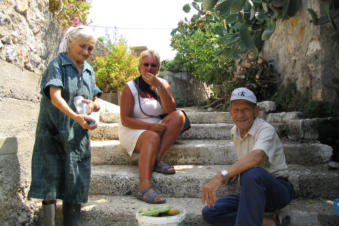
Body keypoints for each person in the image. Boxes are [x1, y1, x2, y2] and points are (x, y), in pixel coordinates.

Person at [28, 26, 102, 226]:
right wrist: (75, 116)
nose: (86, 52)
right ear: (70, 42)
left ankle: (73, 223)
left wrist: (93, 106)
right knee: (49, 180)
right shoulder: (57, 65)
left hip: (77, 136)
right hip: (53, 133)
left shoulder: (88, 70)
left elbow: (95, 98)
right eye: (82, 46)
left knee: (75, 181)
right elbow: (55, 97)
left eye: (90, 48)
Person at [201, 87, 295, 226]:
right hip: (252, 193)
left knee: (251, 174)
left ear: (256, 111)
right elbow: (247, 159)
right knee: (210, 211)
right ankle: (271, 223)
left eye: (246, 109)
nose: (240, 114)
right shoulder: (234, 131)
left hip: (277, 191)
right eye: (236, 110)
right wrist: (235, 171)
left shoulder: (265, 129)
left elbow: (256, 158)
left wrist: (222, 176)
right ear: (230, 111)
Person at [119, 49, 190, 204]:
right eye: (146, 65)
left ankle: (156, 159)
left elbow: (171, 110)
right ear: (139, 68)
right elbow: (125, 119)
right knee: (151, 136)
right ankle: (144, 186)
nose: (149, 68)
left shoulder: (163, 84)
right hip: (134, 129)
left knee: (179, 116)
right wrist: (149, 127)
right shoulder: (130, 88)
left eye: (153, 65)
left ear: (158, 69)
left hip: (157, 127)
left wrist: (159, 87)